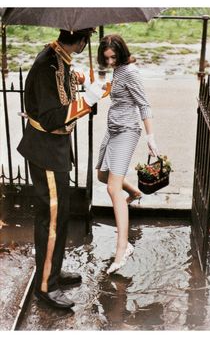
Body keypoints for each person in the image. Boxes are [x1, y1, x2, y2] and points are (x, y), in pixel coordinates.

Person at [17, 28, 104, 309]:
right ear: (81, 40)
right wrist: (87, 101)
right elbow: (54, 117)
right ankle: (46, 286)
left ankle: (52, 270)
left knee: (60, 216)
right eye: (86, 40)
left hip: (55, 151)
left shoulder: (59, 57)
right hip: (47, 152)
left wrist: (80, 82)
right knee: (52, 221)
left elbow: (61, 93)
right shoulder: (48, 64)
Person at [96, 34, 158, 274]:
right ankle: (134, 191)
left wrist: (150, 137)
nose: (110, 61)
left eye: (113, 57)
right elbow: (120, 91)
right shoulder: (119, 70)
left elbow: (144, 104)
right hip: (112, 129)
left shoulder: (130, 71)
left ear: (121, 53)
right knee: (103, 176)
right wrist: (106, 87)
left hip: (127, 131)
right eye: (106, 58)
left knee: (112, 187)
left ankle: (123, 248)